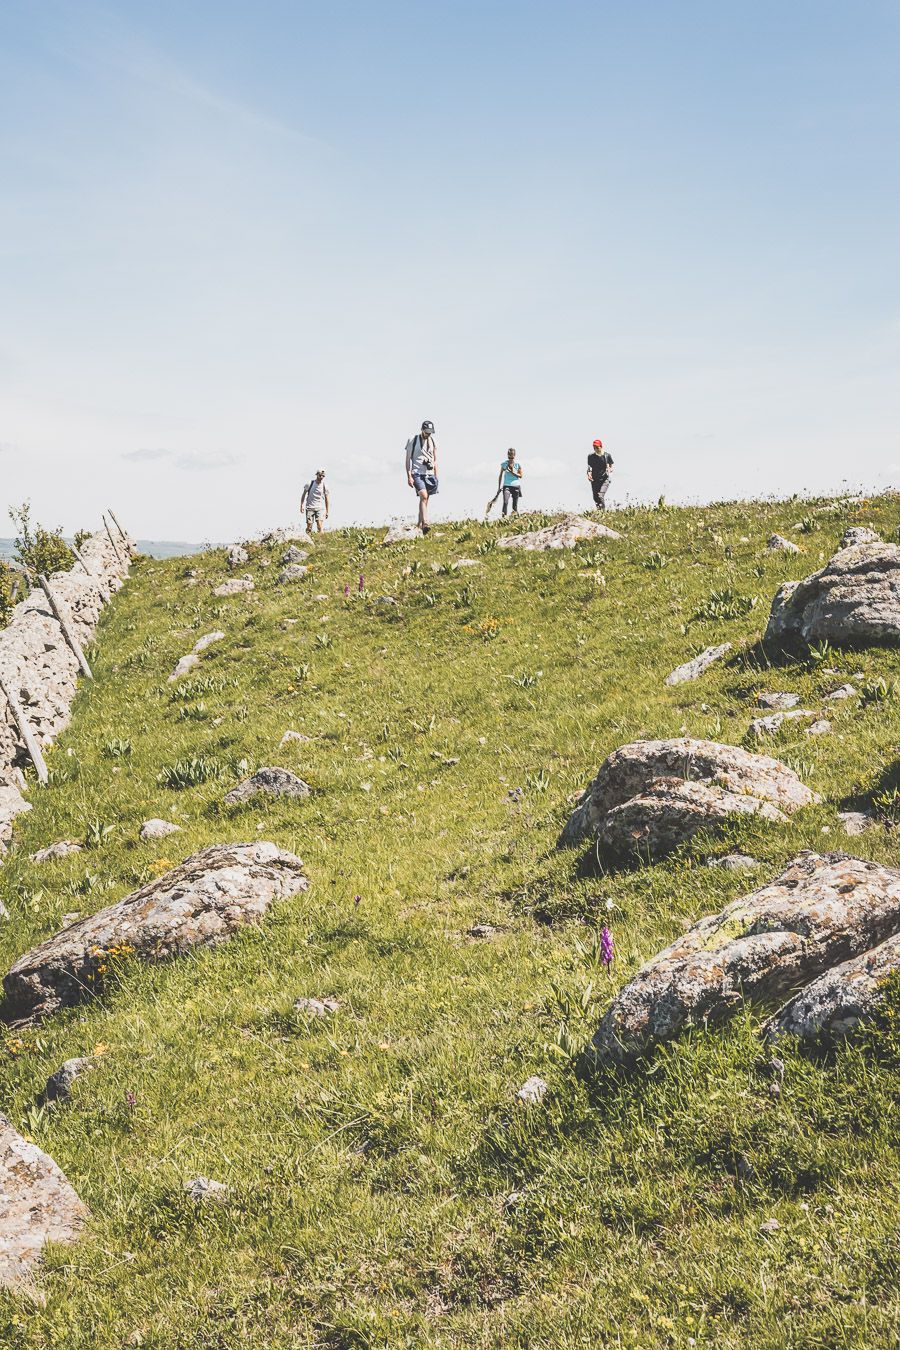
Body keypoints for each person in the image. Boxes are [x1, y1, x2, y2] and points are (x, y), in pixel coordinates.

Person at [405, 419, 439, 533]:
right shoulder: (413, 440)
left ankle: (419, 525)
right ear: (422, 430)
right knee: (424, 496)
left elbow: (435, 460)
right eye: (426, 432)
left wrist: (436, 476)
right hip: (417, 473)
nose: (428, 434)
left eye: (430, 432)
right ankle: (425, 523)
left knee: (425, 500)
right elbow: (408, 459)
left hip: (429, 474)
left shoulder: (433, 441)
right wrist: (409, 476)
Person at [587, 438, 614, 509]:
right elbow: (589, 467)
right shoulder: (591, 456)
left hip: (605, 479)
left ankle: (603, 513)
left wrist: (609, 469)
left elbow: (611, 465)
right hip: (595, 479)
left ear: (601, 447)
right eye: (594, 447)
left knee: (600, 496)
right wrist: (589, 474)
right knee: (595, 497)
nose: (595, 448)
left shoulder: (607, 455)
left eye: (597, 447)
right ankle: (599, 511)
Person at [496, 447, 523, 515]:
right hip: (506, 486)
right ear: (508, 455)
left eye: (512, 456)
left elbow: (520, 475)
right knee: (505, 502)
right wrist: (498, 488)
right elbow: (500, 476)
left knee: (514, 506)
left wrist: (512, 472)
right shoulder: (504, 464)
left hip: (516, 486)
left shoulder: (517, 464)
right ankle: (503, 519)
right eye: (509, 456)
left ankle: (514, 520)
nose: (511, 457)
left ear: (514, 455)